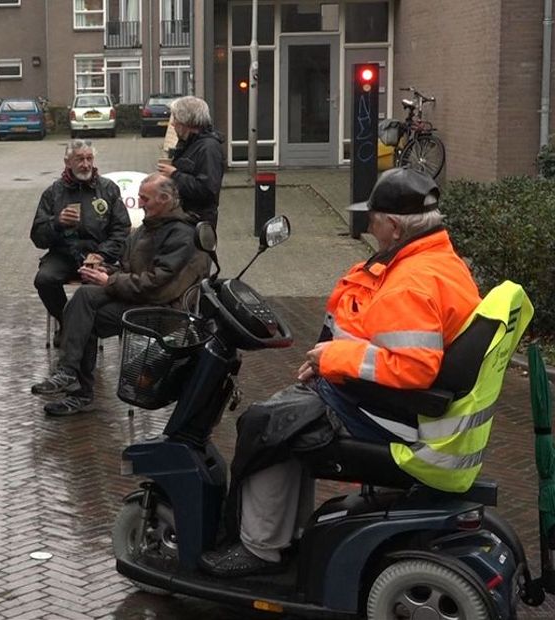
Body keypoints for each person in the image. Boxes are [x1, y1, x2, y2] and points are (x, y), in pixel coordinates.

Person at [198, 169, 482, 578]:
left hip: (396, 417)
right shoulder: (438, 261)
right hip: (409, 409)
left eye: (373, 218)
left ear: (395, 226)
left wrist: (332, 360)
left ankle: (259, 549)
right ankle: (284, 537)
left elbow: (414, 368)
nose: (368, 224)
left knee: (265, 427)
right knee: (284, 420)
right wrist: (328, 361)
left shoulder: (411, 283)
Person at [30, 174, 209, 417]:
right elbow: (128, 267)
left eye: (145, 198)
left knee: (84, 320)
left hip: (161, 309)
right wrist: (106, 271)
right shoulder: (148, 227)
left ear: (165, 199)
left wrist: (110, 280)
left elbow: (157, 285)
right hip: (136, 298)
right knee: (84, 297)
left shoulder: (182, 235)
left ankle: (77, 390)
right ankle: (68, 373)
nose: (140, 203)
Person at [30, 139, 131, 341]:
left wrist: (102, 254)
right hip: (64, 254)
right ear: (67, 162)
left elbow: (122, 230)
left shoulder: (108, 189)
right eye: (79, 159)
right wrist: (57, 222)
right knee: (44, 280)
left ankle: (88, 328)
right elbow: (38, 236)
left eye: (89, 158)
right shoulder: (53, 192)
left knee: (91, 290)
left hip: (98, 255)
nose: (85, 164)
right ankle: (68, 323)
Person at [156, 96, 225, 228]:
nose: (172, 124)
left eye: (175, 119)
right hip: (185, 219)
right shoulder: (189, 143)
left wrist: (174, 174)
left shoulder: (208, 148)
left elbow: (208, 190)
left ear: (185, 121)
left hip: (197, 223)